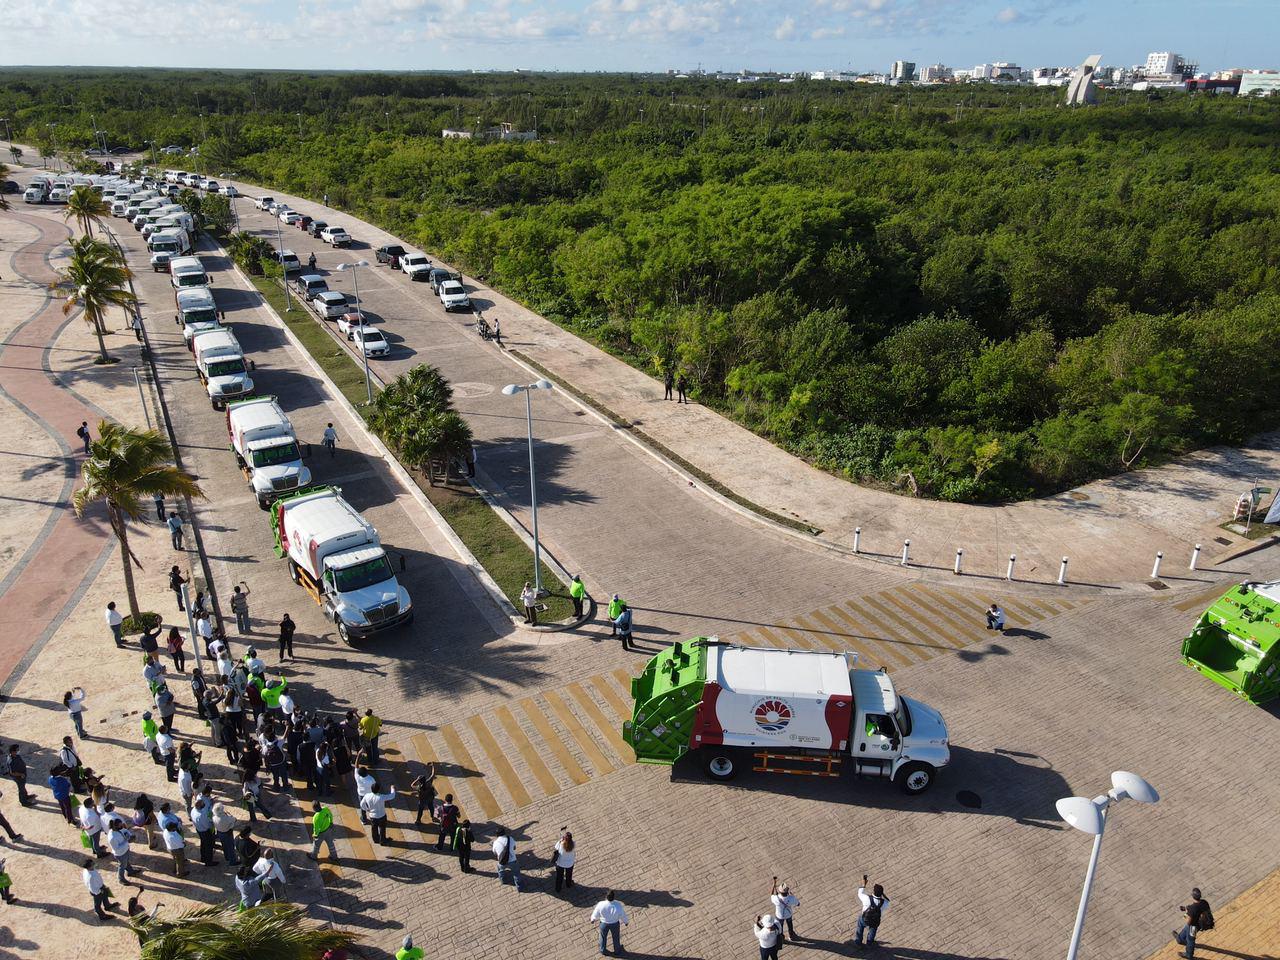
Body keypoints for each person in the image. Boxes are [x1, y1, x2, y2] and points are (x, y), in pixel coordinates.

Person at [1175, 888, 1214, 959]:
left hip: (1193, 926)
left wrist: (1186, 914)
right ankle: (1180, 939)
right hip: (1199, 923)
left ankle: (1189, 955)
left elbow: (1188, 922)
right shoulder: (1204, 902)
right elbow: (1198, 909)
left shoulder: (1193, 909)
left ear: (1192, 896)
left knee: (1190, 940)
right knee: (1186, 929)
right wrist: (1187, 909)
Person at [856, 875, 888, 947]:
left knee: (860, 927)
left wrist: (864, 884)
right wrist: (882, 894)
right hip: (875, 921)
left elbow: (860, 893)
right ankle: (869, 943)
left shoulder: (867, 898)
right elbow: (887, 901)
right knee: (873, 930)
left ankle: (858, 943)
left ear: (873, 891)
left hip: (864, 919)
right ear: (881, 894)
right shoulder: (884, 903)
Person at [107, 819, 142, 885]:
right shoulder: (112, 837)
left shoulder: (119, 829)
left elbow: (125, 831)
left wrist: (130, 835)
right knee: (122, 866)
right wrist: (127, 841)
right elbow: (116, 848)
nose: (122, 826)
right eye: (120, 825)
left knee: (126, 862)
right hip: (120, 854)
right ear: (115, 826)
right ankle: (121, 879)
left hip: (125, 850)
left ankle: (130, 871)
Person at [361, 781, 395, 846]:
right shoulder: (381, 797)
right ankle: (383, 841)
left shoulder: (367, 796)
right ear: (379, 789)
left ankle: (375, 839)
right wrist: (392, 788)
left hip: (373, 816)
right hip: (382, 816)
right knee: (382, 828)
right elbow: (392, 796)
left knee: (374, 828)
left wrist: (367, 809)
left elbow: (362, 804)